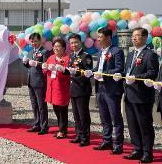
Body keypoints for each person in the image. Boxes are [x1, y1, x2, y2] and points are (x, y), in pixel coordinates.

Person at [84, 27, 125, 155]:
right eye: (98, 37)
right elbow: (98, 67)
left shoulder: (117, 51)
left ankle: (118, 144)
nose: (98, 39)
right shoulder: (101, 52)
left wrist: (103, 73)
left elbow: (119, 68)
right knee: (104, 116)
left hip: (112, 89)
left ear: (108, 37)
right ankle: (107, 140)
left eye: (100, 37)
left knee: (115, 117)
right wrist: (92, 71)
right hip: (100, 88)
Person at [122, 28, 159, 163]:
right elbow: (127, 72)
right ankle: (137, 149)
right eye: (133, 36)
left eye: (137, 36)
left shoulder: (150, 54)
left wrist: (136, 77)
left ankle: (148, 153)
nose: (134, 38)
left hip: (142, 96)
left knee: (145, 125)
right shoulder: (131, 54)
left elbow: (152, 73)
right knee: (132, 125)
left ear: (145, 37)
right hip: (129, 95)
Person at [66, 34, 93, 147]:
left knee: (83, 114)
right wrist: (64, 70)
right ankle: (79, 134)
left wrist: (74, 73)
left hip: (82, 89)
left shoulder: (86, 56)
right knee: (76, 114)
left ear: (80, 42)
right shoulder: (71, 55)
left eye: (75, 42)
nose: (74, 45)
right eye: (71, 43)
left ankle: (85, 137)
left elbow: (88, 74)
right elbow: (69, 72)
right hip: (73, 89)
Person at [22, 32, 50, 135]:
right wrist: (25, 63)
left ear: (40, 41)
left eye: (35, 41)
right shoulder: (30, 52)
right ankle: (36, 124)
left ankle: (44, 126)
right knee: (34, 105)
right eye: (32, 41)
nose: (33, 43)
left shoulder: (45, 52)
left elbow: (46, 65)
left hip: (40, 81)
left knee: (41, 105)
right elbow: (29, 66)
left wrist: (37, 64)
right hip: (31, 81)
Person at [43, 38, 70, 139]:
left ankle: (63, 130)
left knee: (62, 110)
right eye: (54, 47)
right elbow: (45, 72)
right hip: (52, 87)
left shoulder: (67, 58)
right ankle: (61, 128)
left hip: (62, 87)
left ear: (63, 48)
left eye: (58, 46)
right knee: (55, 109)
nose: (56, 48)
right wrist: (45, 68)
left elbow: (69, 74)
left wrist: (62, 69)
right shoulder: (51, 58)